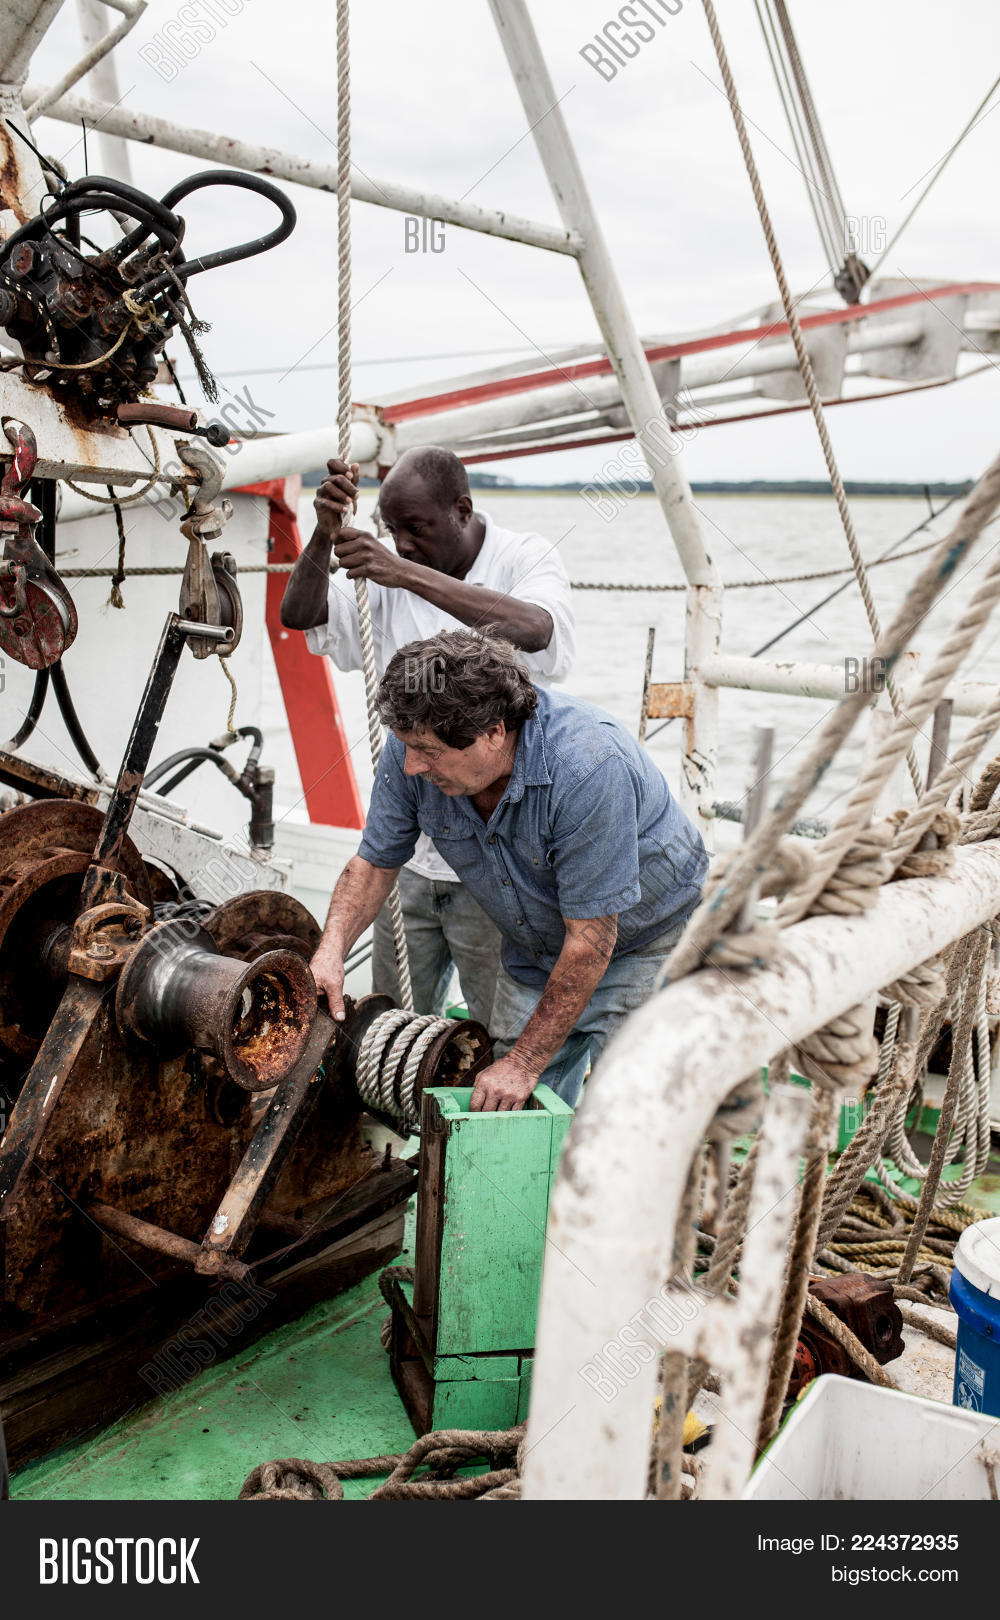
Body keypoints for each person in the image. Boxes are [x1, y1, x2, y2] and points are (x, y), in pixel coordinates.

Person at [310, 629, 708, 1110]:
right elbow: (373, 864)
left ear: (494, 732)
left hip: (648, 945)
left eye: (429, 751)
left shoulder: (587, 768)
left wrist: (524, 1063)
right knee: (505, 1110)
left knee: (625, 1110)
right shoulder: (410, 749)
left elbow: (590, 939)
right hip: (536, 950)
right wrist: (329, 952)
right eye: (407, 746)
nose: (412, 765)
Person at [280, 446, 575, 1028]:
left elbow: (536, 630)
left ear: (461, 510)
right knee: (392, 1026)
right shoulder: (386, 569)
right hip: (411, 853)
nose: (402, 543)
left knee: (501, 1032)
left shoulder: (523, 555)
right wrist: (321, 535)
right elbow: (299, 614)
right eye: (393, 531)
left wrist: (405, 573)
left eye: (415, 528)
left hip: (501, 862)